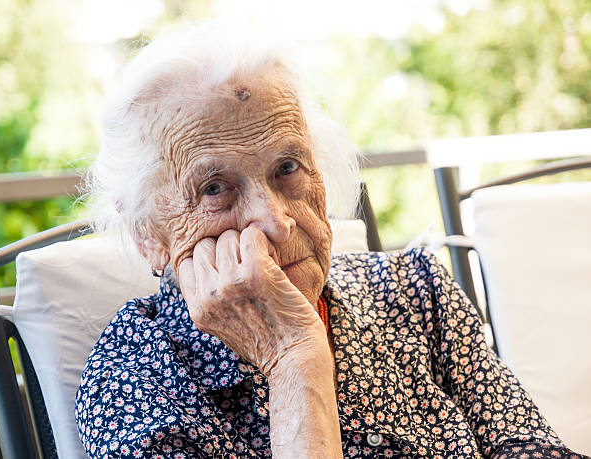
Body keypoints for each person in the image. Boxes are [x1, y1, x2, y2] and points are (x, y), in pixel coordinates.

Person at [75, 23, 586, 459]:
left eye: (287, 168)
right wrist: (292, 356)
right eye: (215, 188)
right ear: (150, 235)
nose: (274, 220)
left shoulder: (415, 290)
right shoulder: (132, 379)